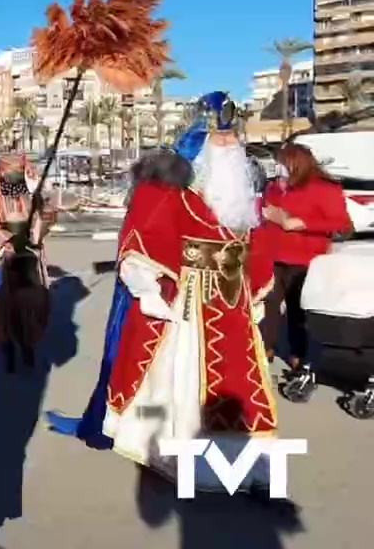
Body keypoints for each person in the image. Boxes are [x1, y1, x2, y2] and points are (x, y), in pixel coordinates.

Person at [45, 91, 279, 499]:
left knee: (238, 381)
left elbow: (254, 244)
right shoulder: (168, 190)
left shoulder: (245, 196)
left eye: (232, 137)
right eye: (219, 138)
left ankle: (242, 461)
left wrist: (257, 292)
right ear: (199, 141)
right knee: (181, 380)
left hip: (232, 301)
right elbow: (141, 239)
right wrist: (146, 288)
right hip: (187, 300)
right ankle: (181, 455)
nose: (229, 145)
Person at [260, 143, 352, 372]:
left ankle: (298, 356)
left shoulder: (324, 188)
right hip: (272, 254)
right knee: (268, 305)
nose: (278, 167)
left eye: (282, 162)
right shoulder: (274, 187)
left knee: (296, 309)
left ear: (296, 162)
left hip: (304, 258)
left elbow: (342, 224)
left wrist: (300, 223)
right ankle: (265, 350)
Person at [0, 152, 58, 372]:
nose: (14, 174)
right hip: (4, 257)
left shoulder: (32, 196)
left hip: (30, 256)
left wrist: (37, 230)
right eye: (10, 170)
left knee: (33, 304)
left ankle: (28, 345)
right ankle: (7, 351)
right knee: (2, 306)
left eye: (18, 170)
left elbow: (46, 218)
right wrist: (8, 240)